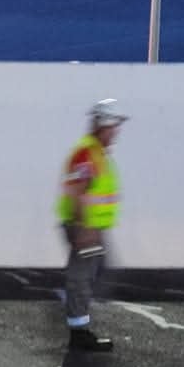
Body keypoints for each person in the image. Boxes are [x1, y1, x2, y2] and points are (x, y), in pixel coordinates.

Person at [56, 99, 128, 351]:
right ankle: (79, 333)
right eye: (113, 126)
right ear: (102, 126)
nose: (116, 132)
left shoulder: (96, 153)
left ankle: (78, 322)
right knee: (81, 279)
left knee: (93, 275)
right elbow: (77, 191)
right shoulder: (88, 153)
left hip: (92, 228)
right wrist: (83, 228)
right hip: (85, 227)